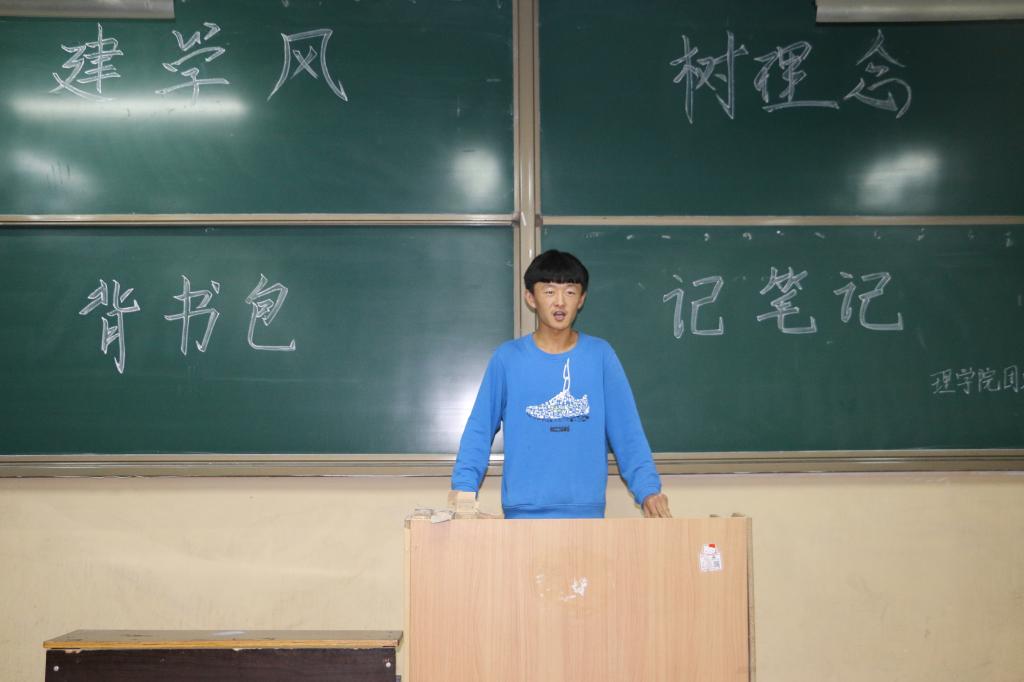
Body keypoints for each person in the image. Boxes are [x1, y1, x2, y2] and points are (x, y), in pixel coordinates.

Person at [450, 249, 671, 519]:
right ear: (530, 298)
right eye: (549, 291)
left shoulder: (600, 356)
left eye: (570, 292)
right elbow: (479, 430)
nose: (560, 302)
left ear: (581, 299)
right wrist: (463, 489)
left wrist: (648, 490)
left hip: (585, 515)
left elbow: (628, 431)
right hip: (522, 515)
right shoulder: (507, 358)